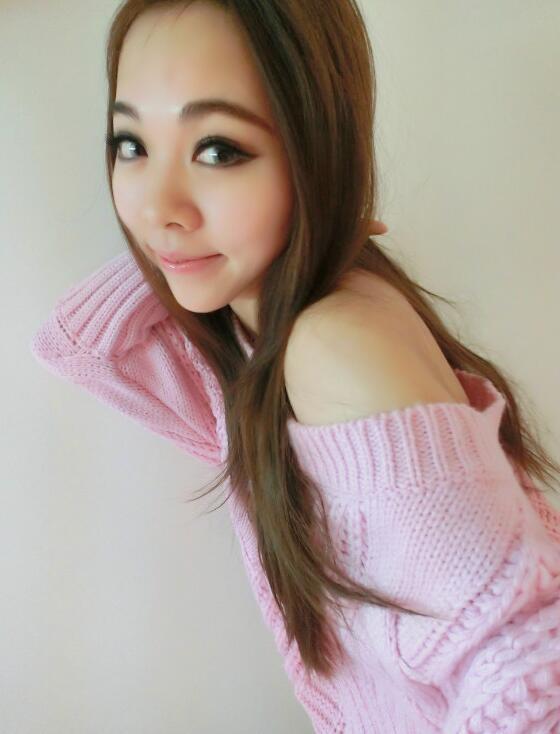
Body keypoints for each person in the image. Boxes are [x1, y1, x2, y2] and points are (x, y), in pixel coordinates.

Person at [30, 1, 560, 731]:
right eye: (132, 144)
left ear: (318, 149)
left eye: (218, 149)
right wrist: (273, 227)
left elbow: (537, 668)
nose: (158, 207)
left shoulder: (334, 347)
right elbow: (82, 346)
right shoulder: (255, 342)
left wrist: (324, 202)